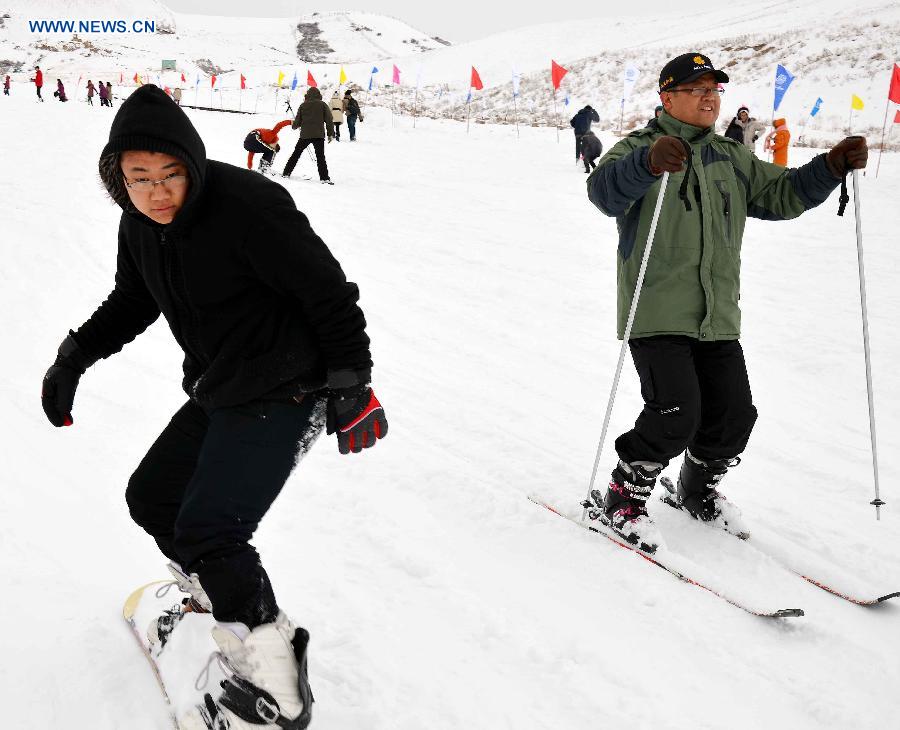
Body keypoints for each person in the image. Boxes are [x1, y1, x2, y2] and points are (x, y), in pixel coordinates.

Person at [40, 84, 388, 730]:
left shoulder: (250, 207)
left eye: (171, 174)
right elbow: (133, 300)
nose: (157, 191)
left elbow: (329, 293)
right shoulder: (139, 226)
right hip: (224, 384)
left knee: (211, 527)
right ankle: (218, 596)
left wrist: (352, 383)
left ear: (193, 165)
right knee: (152, 497)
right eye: (139, 178)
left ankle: (276, 685)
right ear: (118, 178)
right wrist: (74, 356)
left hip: (294, 385)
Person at [585, 52, 867, 553]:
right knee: (675, 413)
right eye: (697, 89)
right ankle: (623, 495)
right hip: (656, 311)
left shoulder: (728, 156)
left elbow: (781, 195)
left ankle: (695, 488)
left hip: (717, 316)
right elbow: (605, 193)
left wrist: (830, 166)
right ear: (667, 97)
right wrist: (648, 164)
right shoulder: (638, 147)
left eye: (715, 89)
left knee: (735, 416)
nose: (710, 97)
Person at [282, 86, 334, 184]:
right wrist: (330, 134)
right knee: (320, 157)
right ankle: (324, 178)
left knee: (296, 154)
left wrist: (294, 126)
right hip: (318, 135)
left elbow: (297, 122)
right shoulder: (322, 105)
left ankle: (286, 173)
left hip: (305, 135)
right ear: (319, 95)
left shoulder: (303, 105)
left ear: (307, 95)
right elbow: (329, 120)